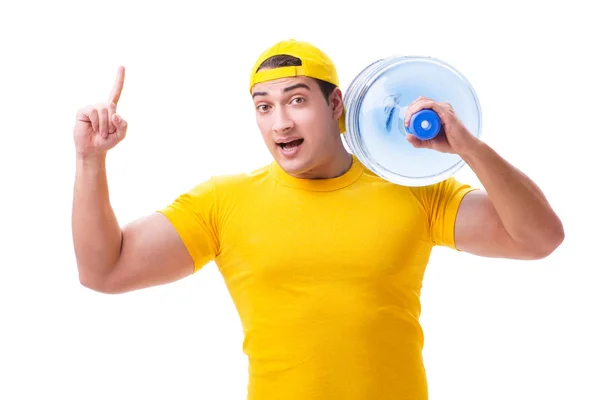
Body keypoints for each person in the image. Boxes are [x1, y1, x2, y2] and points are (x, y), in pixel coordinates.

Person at [71, 39, 564, 400]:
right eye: (264, 107)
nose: (279, 121)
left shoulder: (413, 190)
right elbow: (104, 271)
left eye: (297, 100)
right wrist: (90, 161)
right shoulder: (223, 202)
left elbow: (540, 238)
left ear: (335, 105)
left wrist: (467, 147)